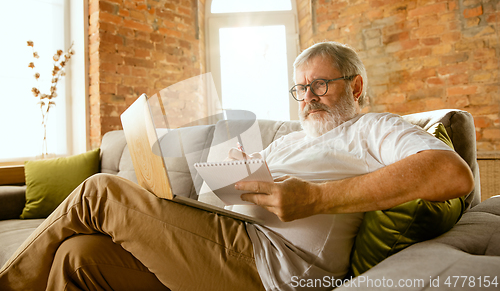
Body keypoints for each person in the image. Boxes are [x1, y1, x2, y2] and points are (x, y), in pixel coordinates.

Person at [0, 41, 474, 291]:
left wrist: (317, 197)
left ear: (355, 86)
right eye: (300, 89)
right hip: (218, 239)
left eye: (320, 85)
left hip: (268, 266)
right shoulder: (292, 139)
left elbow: (451, 173)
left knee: (100, 191)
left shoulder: (372, 128)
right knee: (77, 258)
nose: (307, 97)